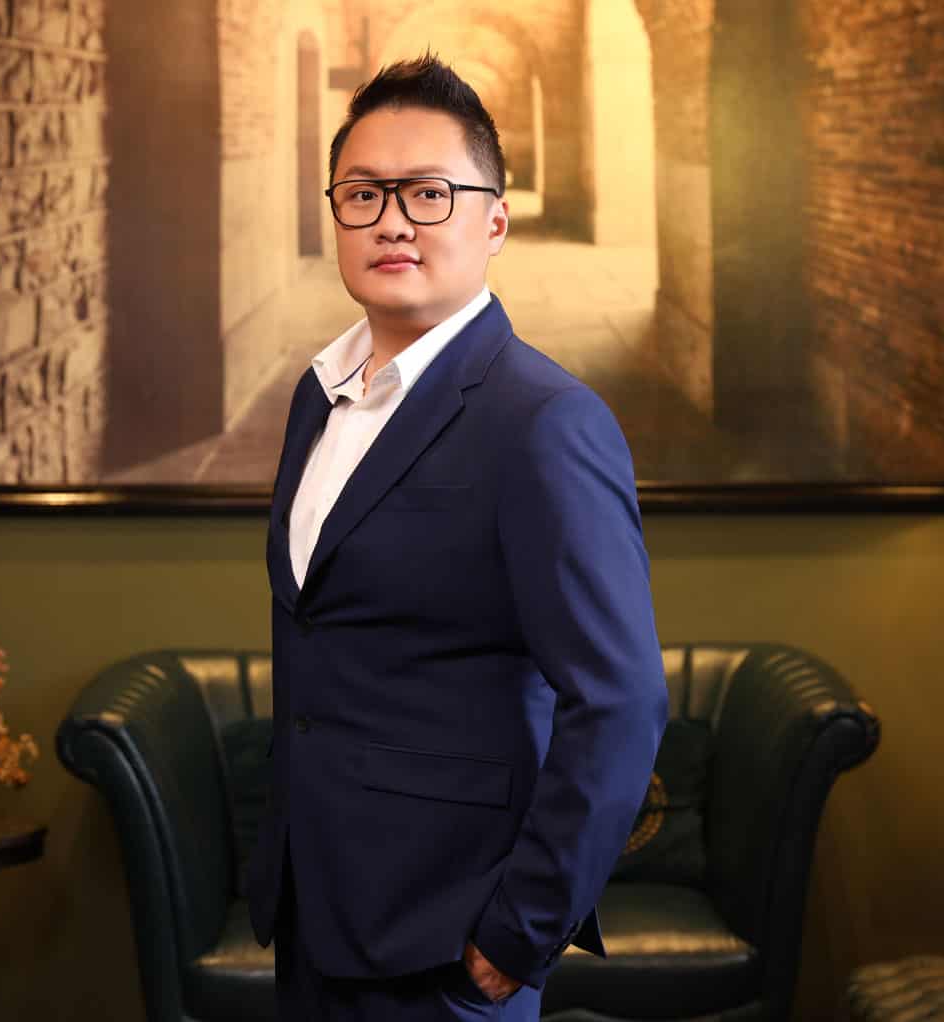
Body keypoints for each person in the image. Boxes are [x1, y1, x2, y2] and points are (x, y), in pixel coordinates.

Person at [246, 54, 668, 1022]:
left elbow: (622, 698)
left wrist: (518, 933)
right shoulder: (319, 400)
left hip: (445, 947)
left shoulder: (542, 420)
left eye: (428, 192)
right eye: (363, 193)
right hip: (314, 915)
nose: (392, 219)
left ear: (493, 220)